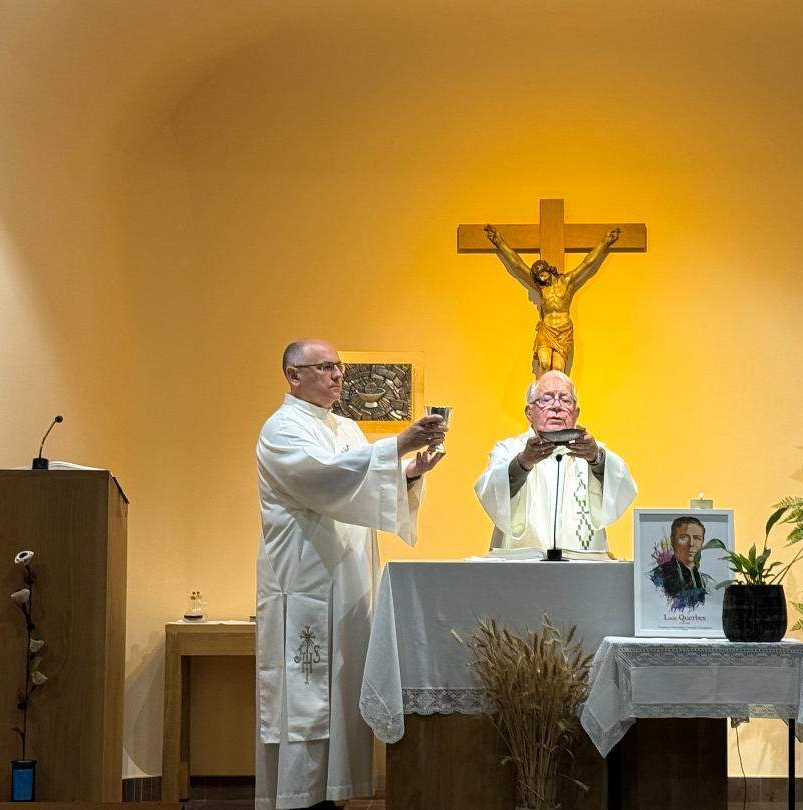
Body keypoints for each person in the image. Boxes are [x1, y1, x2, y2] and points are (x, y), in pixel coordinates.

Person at [254, 339, 447, 810]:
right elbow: (325, 478)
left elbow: (360, 490)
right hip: (304, 584)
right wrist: (398, 444)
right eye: (325, 367)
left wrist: (407, 473)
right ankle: (298, 800)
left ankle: (334, 798)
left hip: (347, 587)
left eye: (338, 366)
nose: (338, 374)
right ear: (293, 375)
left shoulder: (347, 427)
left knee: (341, 690)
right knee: (304, 696)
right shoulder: (281, 430)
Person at [474, 370, 636, 553]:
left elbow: (623, 487)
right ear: (529, 412)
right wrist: (523, 463)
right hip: (522, 563)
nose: (556, 406)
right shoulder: (509, 451)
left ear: (576, 413)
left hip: (581, 564)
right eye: (546, 399)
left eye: (565, 400)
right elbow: (490, 493)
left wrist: (596, 460)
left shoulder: (592, 451)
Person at [485, 224, 621, 374]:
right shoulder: (541, 288)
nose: (542, 278)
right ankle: (541, 389)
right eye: (539, 276)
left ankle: (555, 389)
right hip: (546, 329)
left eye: (543, 273)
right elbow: (518, 264)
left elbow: (587, 263)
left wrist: (605, 242)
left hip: (564, 330)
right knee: (544, 363)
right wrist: (499, 242)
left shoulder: (567, 281)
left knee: (558, 369)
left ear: (548, 270)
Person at [650, 516, 713, 605]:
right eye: (684, 537)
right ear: (672, 540)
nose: (691, 544)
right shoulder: (657, 578)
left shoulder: (707, 582)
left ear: (702, 542)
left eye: (697, 538)